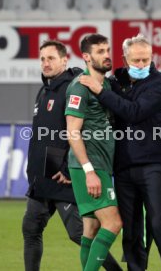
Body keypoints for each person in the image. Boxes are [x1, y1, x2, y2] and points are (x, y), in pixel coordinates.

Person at [79, 34, 161, 271]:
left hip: (151, 165)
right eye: (136, 60)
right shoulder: (118, 80)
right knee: (131, 228)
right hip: (123, 166)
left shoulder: (160, 84)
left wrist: (101, 91)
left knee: (158, 224)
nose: (141, 65)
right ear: (125, 58)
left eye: (145, 60)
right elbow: (102, 81)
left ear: (152, 57)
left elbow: (134, 112)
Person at [22, 40, 122, 271]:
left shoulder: (74, 85)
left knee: (81, 232)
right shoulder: (44, 90)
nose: (46, 63)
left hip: (64, 177)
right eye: (42, 59)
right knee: (31, 230)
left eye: (51, 58)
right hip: (41, 179)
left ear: (65, 60)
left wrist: (70, 168)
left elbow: (76, 131)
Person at [65, 34, 123, 271]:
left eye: (107, 50)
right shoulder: (80, 86)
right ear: (87, 57)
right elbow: (72, 131)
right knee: (113, 222)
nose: (107, 55)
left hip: (101, 164)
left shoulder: (105, 85)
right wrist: (89, 171)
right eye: (100, 51)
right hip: (90, 165)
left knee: (91, 228)